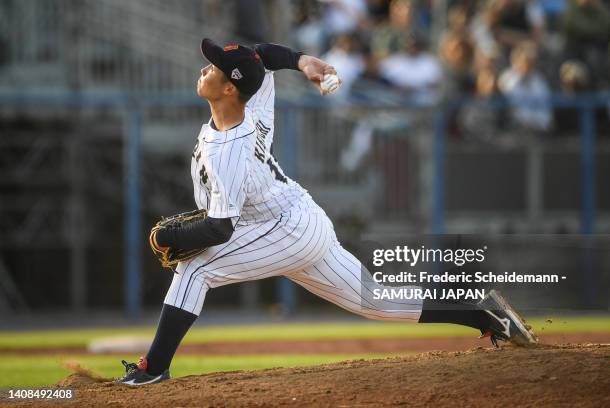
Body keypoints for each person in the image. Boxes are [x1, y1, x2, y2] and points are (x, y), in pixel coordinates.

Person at [118, 38, 536, 386]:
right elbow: (260, 56)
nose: (206, 68)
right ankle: (484, 313)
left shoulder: (229, 147)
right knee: (378, 303)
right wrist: (303, 61)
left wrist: (170, 238)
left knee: (195, 270)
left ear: (230, 89)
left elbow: (222, 228)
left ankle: (153, 369)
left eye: (215, 68)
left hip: (283, 229)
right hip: (298, 217)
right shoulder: (253, 98)